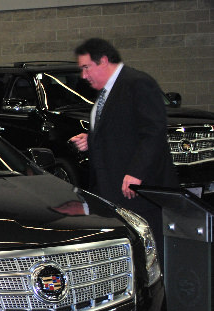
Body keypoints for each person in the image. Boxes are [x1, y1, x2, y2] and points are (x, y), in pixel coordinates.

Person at [69, 38, 178, 255]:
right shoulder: (107, 92)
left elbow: (153, 133)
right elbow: (123, 130)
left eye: (86, 67)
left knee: (147, 248)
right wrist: (91, 140)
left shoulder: (137, 83)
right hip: (111, 189)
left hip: (137, 191)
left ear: (104, 61)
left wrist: (136, 172)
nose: (84, 75)